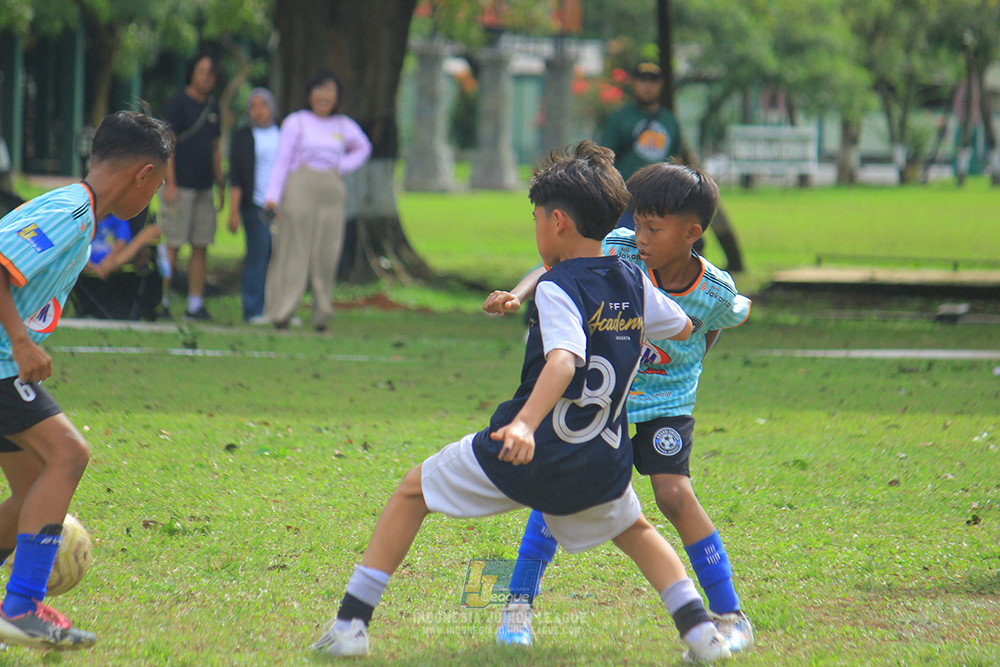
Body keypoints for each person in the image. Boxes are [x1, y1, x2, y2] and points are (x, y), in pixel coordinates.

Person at [310, 142, 736, 664]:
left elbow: (562, 361)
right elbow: (685, 324)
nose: (536, 229)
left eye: (535, 219)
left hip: (534, 449)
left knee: (411, 492)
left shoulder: (557, 287)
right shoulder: (631, 278)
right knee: (636, 530)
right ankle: (701, 635)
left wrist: (525, 425)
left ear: (557, 223)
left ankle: (351, 623)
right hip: (601, 459)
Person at [484, 162, 754, 659]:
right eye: (639, 222)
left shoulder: (715, 290)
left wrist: (689, 366)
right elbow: (555, 267)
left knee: (673, 495)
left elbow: (728, 316)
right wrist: (516, 295)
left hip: (666, 404)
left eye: (654, 227)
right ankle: (516, 607)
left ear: (691, 233)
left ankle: (731, 613)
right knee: (558, 487)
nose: (641, 236)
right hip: (602, 401)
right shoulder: (621, 248)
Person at [0, 110, 173, 649]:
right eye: (160, 185)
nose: (155, 196)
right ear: (142, 174)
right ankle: (22, 606)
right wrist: (24, 343)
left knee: (32, 485)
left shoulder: (79, 212)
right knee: (69, 454)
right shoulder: (70, 212)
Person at [263, 70, 371, 332]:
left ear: (337, 97)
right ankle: (283, 311)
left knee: (327, 252)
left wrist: (341, 166)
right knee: (294, 250)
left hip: (331, 192)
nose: (324, 96)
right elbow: (282, 160)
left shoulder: (343, 125)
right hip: (300, 186)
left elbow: (363, 147)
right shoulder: (296, 122)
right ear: (309, 94)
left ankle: (322, 314)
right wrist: (272, 196)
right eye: (319, 90)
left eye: (330, 91)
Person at [160, 52, 224, 321]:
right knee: (172, 242)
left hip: (203, 187)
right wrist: (170, 182)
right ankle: (160, 299)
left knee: (201, 245)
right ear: (192, 73)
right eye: (202, 71)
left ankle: (195, 303)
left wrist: (220, 182)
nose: (206, 77)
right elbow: (169, 145)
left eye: (211, 73)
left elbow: (215, 147)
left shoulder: (213, 107)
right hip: (181, 185)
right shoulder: (178, 103)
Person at [600, 62, 682, 231]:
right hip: (625, 204)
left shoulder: (670, 121)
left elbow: (677, 161)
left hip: (659, 204)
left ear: (661, 85)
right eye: (643, 81)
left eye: (653, 81)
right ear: (634, 83)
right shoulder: (620, 118)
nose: (648, 86)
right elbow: (602, 161)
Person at [228, 87, 280, 324]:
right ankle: (253, 309)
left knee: (280, 257)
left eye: (264, 105)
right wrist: (233, 211)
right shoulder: (243, 137)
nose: (259, 111)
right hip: (256, 205)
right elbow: (237, 177)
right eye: (254, 106)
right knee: (258, 256)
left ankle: (278, 307)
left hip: (282, 207)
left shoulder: (283, 134)